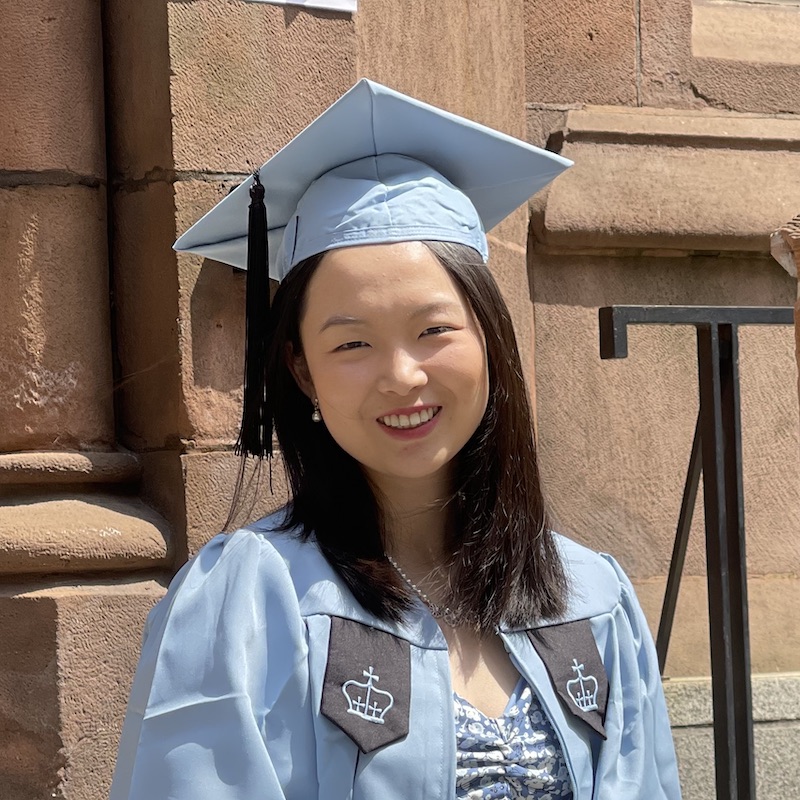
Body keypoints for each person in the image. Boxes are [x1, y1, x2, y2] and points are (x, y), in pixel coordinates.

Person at [110, 79, 682, 800]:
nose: (402, 375)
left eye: (435, 330)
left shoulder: (587, 595)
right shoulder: (251, 600)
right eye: (351, 344)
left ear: (490, 341)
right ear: (301, 370)